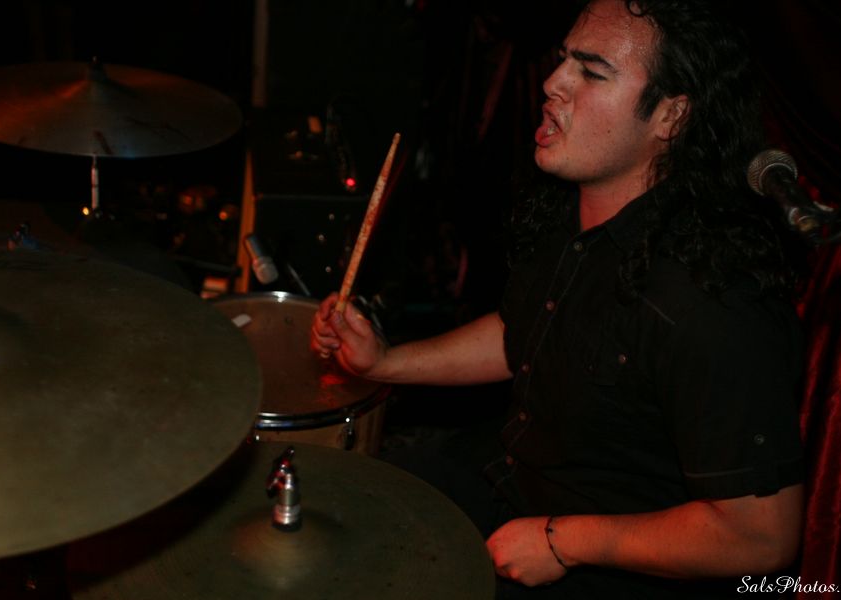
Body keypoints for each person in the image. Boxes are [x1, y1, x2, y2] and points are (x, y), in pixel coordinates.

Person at [311, 0, 807, 597]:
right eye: (563, 59)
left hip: (611, 560)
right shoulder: (568, 203)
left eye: (591, 72)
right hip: (510, 476)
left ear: (671, 116)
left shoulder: (714, 303)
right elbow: (524, 331)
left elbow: (763, 537)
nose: (552, 82)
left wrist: (562, 542)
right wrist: (386, 362)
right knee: (339, 513)